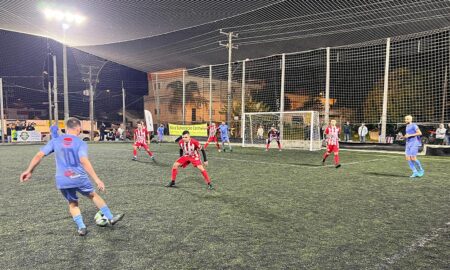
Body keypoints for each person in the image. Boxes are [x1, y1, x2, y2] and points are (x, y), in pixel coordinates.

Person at [19, 117, 124, 236]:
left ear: (67, 128)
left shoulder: (56, 140)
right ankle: (110, 217)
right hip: (79, 177)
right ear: (79, 128)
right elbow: (83, 160)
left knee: (72, 203)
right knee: (93, 195)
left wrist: (29, 170)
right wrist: (97, 179)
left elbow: (39, 155)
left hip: (63, 179)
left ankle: (81, 227)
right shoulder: (80, 143)